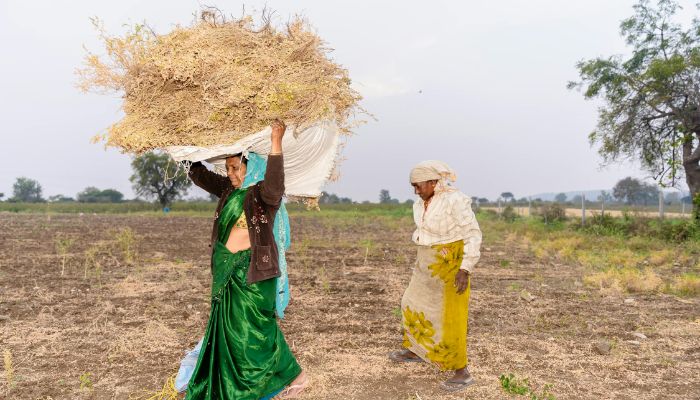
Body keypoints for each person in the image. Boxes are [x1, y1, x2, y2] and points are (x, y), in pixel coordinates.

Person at [183, 120, 307, 399]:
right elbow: (201, 175)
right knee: (232, 334)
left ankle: (288, 377)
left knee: (255, 331)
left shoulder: (262, 195)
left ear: (251, 167)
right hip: (227, 275)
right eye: (227, 168)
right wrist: (184, 148)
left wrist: (276, 141)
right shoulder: (229, 190)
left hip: (254, 274)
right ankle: (238, 380)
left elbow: (276, 184)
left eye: (235, 168)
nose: (231, 174)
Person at [389, 160, 482, 392]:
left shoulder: (455, 199)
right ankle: (417, 350)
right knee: (411, 303)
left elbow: (472, 233)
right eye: (413, 186)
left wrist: (465, 268)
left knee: (450, 317)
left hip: (450, 265)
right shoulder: (419, 205)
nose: (416, 191)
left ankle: (462, 372)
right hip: (426, 262)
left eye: (419, 185)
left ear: (433, 182)